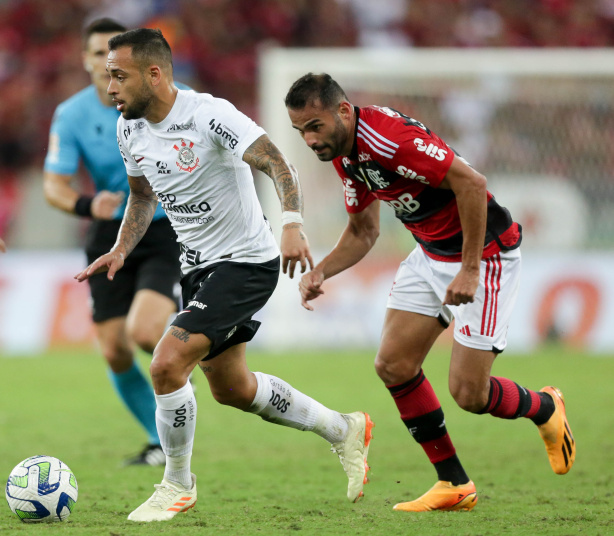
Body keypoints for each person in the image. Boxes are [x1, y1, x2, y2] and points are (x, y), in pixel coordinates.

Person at [75, 29, 374, 522]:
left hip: (244, 262)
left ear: (154, 74)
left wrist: (292, 223)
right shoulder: (128, 129)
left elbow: (278, 164)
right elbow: (144, 196)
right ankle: (344, 429)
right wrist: (121, 249)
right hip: (195, 267)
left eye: (119, 76)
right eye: (108, 76)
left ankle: (176, 484)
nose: (110, 87)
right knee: (232, 389)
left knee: (167, 363)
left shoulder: (209, 114)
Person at [285, 73, 575, 513]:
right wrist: (321, 271)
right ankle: (454, 484)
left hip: (486, 256)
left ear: (342, 111)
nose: (309, 140)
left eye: (314, 126)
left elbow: (472, 184)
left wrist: (470, 268)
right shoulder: (347, 158)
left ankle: (544, 407)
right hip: (429, 253)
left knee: (469, 394)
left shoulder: (388, 139)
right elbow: (364, 232)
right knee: (394, 365)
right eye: (300, 132)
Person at [43, 19, 184, 466]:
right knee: (114, 348)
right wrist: (88, 206)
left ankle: (185, 358)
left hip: (162, 227)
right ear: (86, 61)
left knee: (144, 333)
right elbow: (54, 185)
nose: (106, 61)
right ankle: (158, 442)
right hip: (108, 231)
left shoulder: (162, 104)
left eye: (114, 52)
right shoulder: (72, 114)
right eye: (97, 52)